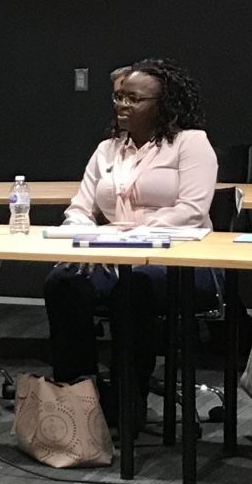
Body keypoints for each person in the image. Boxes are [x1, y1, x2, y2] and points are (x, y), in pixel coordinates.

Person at [44, 59, 218, 419]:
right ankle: (80, 396)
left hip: (181, 260)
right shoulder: (107, 149)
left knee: (134, 288)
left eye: (134, 99)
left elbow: (191, 210)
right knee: (63, 282)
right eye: (120, 97)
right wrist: (88, 240)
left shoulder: (190, 144)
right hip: (112, 255)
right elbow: (80, 208)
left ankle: (129, 398)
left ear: (162, 104)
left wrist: (133, 238)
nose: (123, 105)